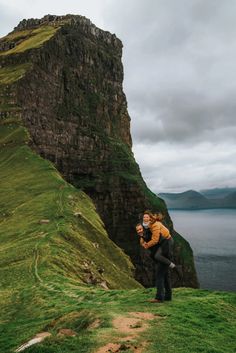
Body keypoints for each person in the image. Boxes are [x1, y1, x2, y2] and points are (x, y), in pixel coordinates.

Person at [136, 210, 182, 303]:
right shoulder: (146, 228)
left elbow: (155, 240)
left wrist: (147, 245)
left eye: (147, 217)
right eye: (144, 217)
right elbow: (145, 238)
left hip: (166, 244)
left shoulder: (155, 226)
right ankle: (168, 296)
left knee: (159, 274)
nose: (145, 219)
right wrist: (143, 241)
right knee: (165, 275)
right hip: (163, 246)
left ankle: (159, 297)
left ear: (150, 218)